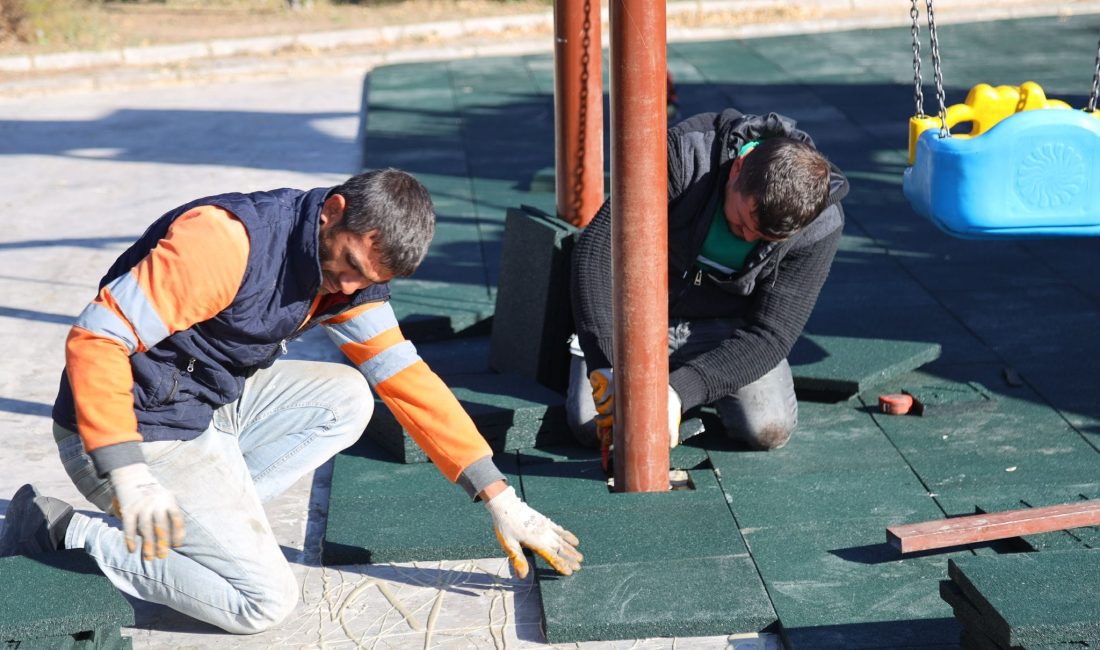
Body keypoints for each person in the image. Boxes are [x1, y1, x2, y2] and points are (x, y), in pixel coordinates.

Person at [0, 169, 583, 634]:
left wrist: (498, 495)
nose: (350, 288)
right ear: (331, 211)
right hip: (125, 426)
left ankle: (200, 531)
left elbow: (406, 378)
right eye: (350, 265)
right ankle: (70, 530)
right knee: (263, 602)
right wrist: (129, 474)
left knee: (348, 398)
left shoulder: (348, 276)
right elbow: (96, 337)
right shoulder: (226, 241)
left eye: (367, 279)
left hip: (204, 403)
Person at [567, 109, 849, 452]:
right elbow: (597, 250)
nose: (747, 238)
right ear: (737, 169)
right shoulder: (684, 156)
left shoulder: (819, 225)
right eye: (743, 221)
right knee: (589, 422)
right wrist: (604, 360)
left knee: (767, 426)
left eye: (763, 238)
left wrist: (679, 392)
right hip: (639, 316)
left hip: (722, 329)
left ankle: (681, 386)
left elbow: (772, 334)